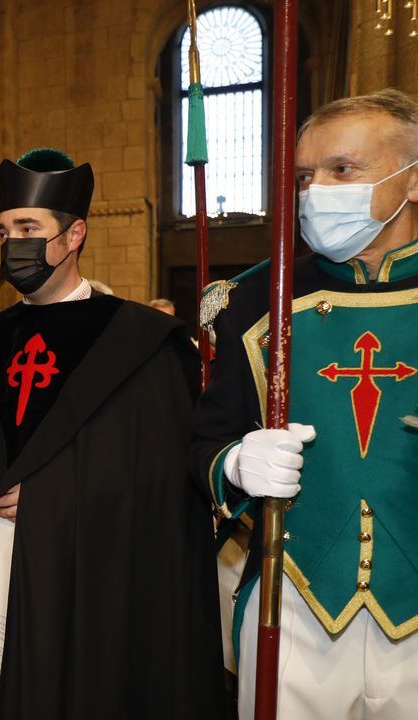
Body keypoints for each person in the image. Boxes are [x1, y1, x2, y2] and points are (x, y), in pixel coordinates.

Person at [0, 148, 224, 719]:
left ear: (74, 234)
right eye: (4, 231)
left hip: (86, 589)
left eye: (29, 228)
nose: (12, 244)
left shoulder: (142, 345)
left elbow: (160, 486)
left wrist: (53, 496)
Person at [192, 89, 418, 719]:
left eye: (342, 170)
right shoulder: (256, 297)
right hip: (293, 602)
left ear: (415, 181)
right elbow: (205, 441)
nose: (316, 191)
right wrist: (236, 465)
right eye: (304, 176)